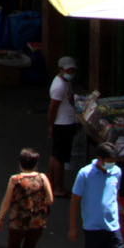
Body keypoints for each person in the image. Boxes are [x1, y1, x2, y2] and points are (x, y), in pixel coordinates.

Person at [0, 147, 54, 248]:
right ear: (36, 163)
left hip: (18, 221)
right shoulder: (43, 178)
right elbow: (50, 199)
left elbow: (7, 201)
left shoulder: (15, 180)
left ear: (21, 163)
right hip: (37, 221)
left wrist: (0, 217)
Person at [48, 55, 81, 190]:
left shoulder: (66, 83)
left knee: (56, 155)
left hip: (65, 123)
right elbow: (53, 108)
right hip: (62, 125)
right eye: (68, 71)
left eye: (72, 70)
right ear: (61, 70)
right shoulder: (59, 87)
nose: (71, 73)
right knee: (60, 158)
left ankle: (51, 182)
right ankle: (58, 186)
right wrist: (52, 125)